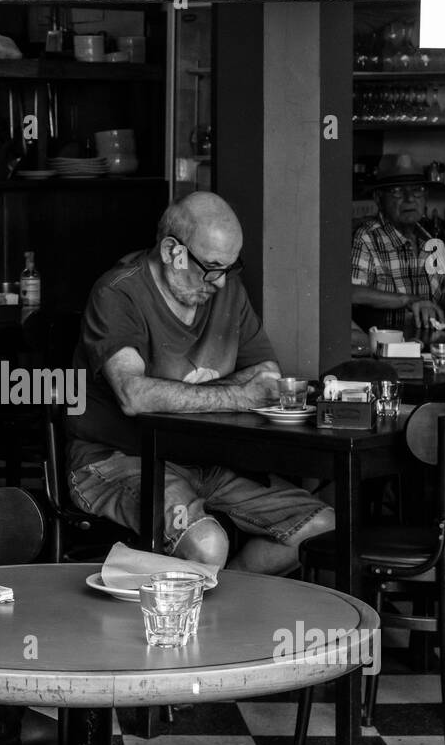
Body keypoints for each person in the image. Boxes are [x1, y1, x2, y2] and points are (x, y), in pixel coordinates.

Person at [66, 191, 334, 575]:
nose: (221, 283)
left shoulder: (226, 291)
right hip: (117, 460)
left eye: (229, 267)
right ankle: (196, 611)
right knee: (207, 545)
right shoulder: (119, 291)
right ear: (172, 250)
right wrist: (237, 395)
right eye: (211, 267)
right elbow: (134, 395)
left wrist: (179, 394)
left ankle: (218, 609)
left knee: (321, 528)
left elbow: (268, 375)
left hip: (206, 459)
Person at [350, 162, 445, 331]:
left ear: (426, 196)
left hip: (426, 346)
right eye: (397, 191)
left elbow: (441, 298)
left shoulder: (430, 241)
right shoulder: (366, 237)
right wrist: (409, 300)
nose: (410, 198)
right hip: (387, 349)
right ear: (378, 198)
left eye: (417, 190)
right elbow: (352, 292)